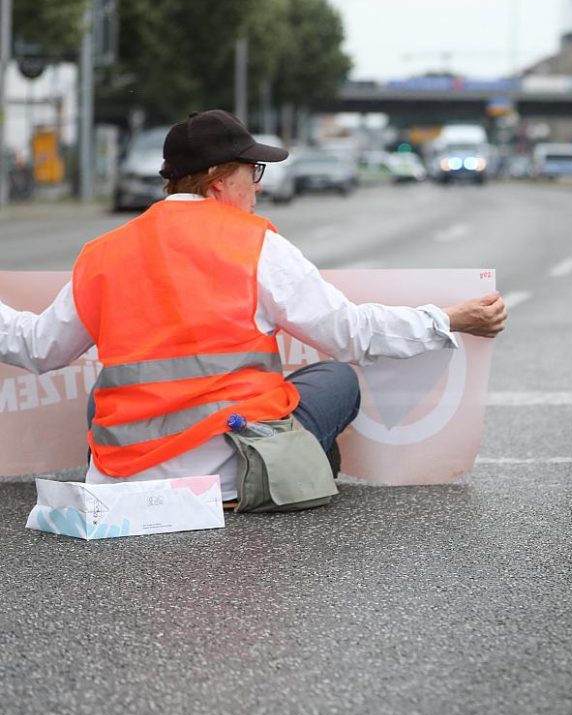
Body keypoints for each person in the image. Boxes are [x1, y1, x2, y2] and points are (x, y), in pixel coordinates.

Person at [0, 109, 507, 502]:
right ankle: (290, 473)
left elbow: (39, 348)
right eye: (253, 170)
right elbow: (352, 335)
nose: (259, 185)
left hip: (126, 477)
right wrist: (449, 319)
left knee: (106, 391)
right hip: (235, 470)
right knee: (335, 378)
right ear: (219, 180)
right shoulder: (255, 244)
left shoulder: (104, 252)